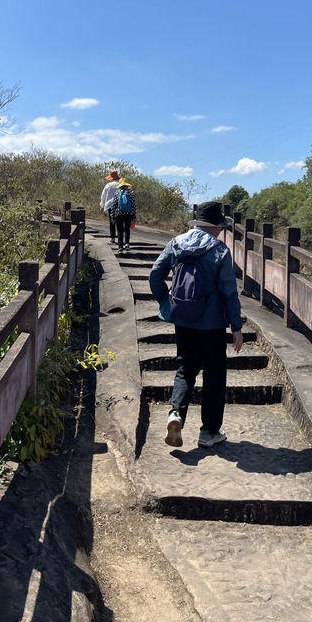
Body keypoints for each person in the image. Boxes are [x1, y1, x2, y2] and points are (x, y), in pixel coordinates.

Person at [149, 201, 243, 449]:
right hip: (212, 324)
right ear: (213, 227)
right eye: (220, 227)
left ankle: (176, 414)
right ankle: (209, 432)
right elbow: (229, 292)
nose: (221, 231)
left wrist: (167, 304)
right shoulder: (220, 251)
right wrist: (236, 326)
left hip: (183, 318)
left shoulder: (177, 243)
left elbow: (155, 274)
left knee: (185, 369)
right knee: (214, 374)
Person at [113, 177, 136, 254]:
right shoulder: (131, 192)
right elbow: (133, 205)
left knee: (119, 230)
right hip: (128, 214)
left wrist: (113, 215)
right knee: (127, 229)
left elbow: (114, 205)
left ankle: (120, 248)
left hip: (119, 214)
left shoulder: (117, 193)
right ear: (126, 185)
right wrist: (134, 215)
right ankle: (127, 244)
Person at [100, 169, 119, 243]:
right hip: (119, 205)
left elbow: (103, 196)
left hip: (110, 205)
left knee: (112, 221)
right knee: (119, 221)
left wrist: (102, 206)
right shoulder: (121, 185)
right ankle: (121, 238)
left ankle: (112, 237)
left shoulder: (108, 185)